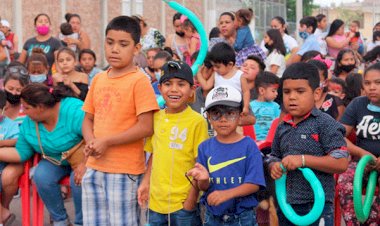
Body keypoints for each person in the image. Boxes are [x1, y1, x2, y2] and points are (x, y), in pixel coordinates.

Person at [81, 16, 159, 226]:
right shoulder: (98, 78)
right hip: (94, 167)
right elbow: (87, 119)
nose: (115, 49)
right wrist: (91, 141)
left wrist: (107, 142)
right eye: (110, 42)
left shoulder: (139, 80)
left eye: (123, 44)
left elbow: (146, 126)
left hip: (125, 171)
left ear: (136, 48)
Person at [268, 62, 349, 226]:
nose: (292, 97)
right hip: (286, 205)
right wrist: (273, 166)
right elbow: (274, 156)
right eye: (287, 92)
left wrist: (303, 160)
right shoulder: (282, 126)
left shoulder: (325, 123)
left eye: (300, 91)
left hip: (317, 205)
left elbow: (341, 162)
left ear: (317, 93)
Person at [0, 83, 85, 226]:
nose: (23, 112)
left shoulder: (72, 109)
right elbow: (21, 153)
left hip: (84, 157)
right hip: (55, 160)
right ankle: (60, 220)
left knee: (79, 181)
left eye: (26, 108)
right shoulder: (29, 123)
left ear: (39, 107)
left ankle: (81, 222)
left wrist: (85, 164)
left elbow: (95, 137)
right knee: (41, 176)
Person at [137, 60, 209, 225]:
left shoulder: (197, 122)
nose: (174, 89)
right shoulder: (155, 118)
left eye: (181, 84)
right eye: (168, 84)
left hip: (183, 206)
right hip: (155, 205)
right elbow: (154, 155)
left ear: (192, 90)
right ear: (160, 88)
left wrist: (190, 202)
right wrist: (145, 183)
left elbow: (200, 165)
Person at [187, 85, 266, 226]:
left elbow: (254, 184)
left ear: (240, 115)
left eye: (230, 113)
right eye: (216, 113)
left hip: (242, 217)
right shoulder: (204, 147)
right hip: (213, 216)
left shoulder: (249, 145)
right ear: (208, 117)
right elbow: (204, 187)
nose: (223, 119)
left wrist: (227, 194)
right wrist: (203, 179)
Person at [338, 62, 380, 225]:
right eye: (368, 83)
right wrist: (362, 154)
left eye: (378, 83)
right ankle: (355, 222)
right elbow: (338, 135)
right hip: (362, 163)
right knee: (345, 180)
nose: (372, 88)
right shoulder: (358, 104)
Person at [196, 42, 250, 116]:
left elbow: (246, 92)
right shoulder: (216, 74)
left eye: (217, 66)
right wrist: (199, 74)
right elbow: (206, 86)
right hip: (218, 108)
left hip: (234, 109)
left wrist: (246, 107)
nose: (214, 69)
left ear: (230, 64)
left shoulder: (240, 76)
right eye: (213, 66)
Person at [0, 89, 18, 226]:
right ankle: (3, 213)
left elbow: (18, 143)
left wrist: (3, 143)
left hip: (3, 167)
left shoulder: (10, 126)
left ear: (3, 109)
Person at [250, 72, 280, 141]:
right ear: (262, 90)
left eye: (276, 91)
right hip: (253, 141)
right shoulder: (250, 106)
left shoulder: (275, 106)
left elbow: (279, 124)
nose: (276, 94)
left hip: (271, 142)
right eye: (273, 91)